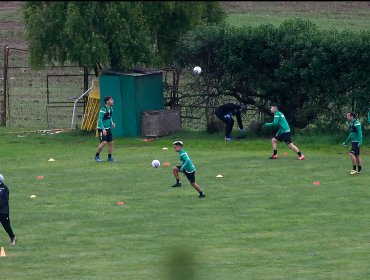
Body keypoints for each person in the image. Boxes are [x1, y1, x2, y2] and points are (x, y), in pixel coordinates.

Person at [94, 96, 116, 162]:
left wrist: (112, 123)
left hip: (108, 128)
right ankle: (96, 156)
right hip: (101, 128)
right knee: (103, 142)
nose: (113, 101)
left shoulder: (111, 108)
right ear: (107, 102)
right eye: (111, 100)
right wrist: (103, 129)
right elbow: (100, 120)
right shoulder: (103, 109)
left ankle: (109, 158)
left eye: (112, 100)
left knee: (111, 143)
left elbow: (110, 117)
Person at [0, 174, 17, 246]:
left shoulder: (5, 188)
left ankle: (13, 237)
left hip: (3, 211)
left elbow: (4, 201)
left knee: (6, 226)